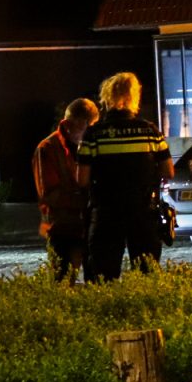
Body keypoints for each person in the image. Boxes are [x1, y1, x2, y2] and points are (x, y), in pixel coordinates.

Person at [77, 71, 173, 282]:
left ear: (107, 97)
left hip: (106, 214)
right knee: (147, 275)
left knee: (103, 276)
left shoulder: (93, 135)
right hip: (143, 212)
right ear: (133, 97)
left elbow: (82, 180)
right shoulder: (150, 131)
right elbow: (169, 171)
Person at [32, 98, 98, 281]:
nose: (90, 133)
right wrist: (84, 199)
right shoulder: (47, 149)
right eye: (88, 127)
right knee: (63, 282)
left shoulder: (86, 145)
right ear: (75, 123)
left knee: (96, 283)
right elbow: (49, 194)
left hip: (86, 226)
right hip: (62, 229)